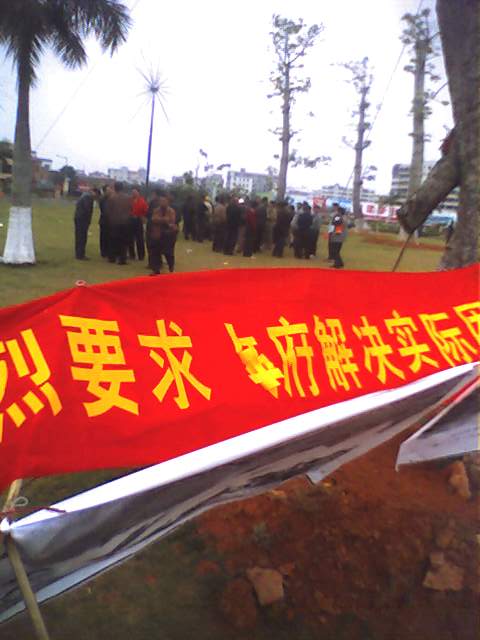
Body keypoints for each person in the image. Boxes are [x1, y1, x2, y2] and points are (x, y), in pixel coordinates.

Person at [148, 191, 178, 275]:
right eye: (161, 201)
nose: (162, 202)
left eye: (164, 201)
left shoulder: (171, 211)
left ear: (168, 202)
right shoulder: (156, 210)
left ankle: (171, 269)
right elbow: (154, 219)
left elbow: (171, 221)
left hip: (168, 235)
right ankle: (156, 270)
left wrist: (161, 220)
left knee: (169, 253)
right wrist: (164, 220)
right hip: (157, 234)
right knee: (155, 253)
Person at [105, 181, 132, 265]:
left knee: (113, 240)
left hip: (114, 222)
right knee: (123, 241)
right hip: (125, 222)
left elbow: (108, 211)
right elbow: (130, 209)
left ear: (115, 188)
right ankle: (122, 259)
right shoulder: (128, 198)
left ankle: (112, 258)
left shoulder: (112, 198)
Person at [74, 187, 99, 260]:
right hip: (82, 219)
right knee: (82, 237)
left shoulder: (84, 195)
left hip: (79, 218)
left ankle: (79, 253)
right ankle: (80, 254)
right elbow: (87, 209)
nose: (96, 197)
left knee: (79, 236)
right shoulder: (88, 197)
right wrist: (88, 220)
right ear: (94, 192)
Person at [128, 188, 148, 260]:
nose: (133, 194)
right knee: (130, 238)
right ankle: (131, 254)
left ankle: (141, 255)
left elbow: (146, 211)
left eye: (135, 192)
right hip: (130, 220)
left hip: (138, 220)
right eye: (132, 192)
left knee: (140, 239)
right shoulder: (129, 200)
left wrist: (142, 217)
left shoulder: (142, 201)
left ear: (138, 193)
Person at [98, 184, 112, 258]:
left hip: (110, 221)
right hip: (104, 220)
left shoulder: (110, 198)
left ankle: (108, 250)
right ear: (105, 191)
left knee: (109, 236)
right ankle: (104, 252)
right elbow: (105, 210)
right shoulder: (103, 199)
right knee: (103, 236)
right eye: (108, 190)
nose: (110, 191)